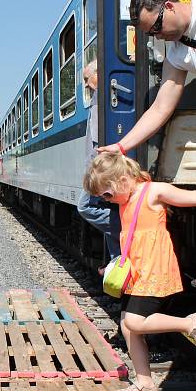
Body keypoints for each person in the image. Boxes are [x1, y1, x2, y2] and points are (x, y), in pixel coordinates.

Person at [100, 0, 196, 290]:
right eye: (151, 34)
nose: (158, 36)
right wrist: (121, 146)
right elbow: (160, 109)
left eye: (157, 27)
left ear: (170, 6)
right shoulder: (177, 55)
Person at [84, 153, 196, 391]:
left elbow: (194, 198)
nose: (106, 200)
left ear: (122, 180)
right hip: (136, 269)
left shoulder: (153, 192)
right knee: (127, 326)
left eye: (106, 195)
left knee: (135, 322)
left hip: (153, 267)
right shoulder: (124, 201)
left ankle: (191, 323)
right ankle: (145, 384)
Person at [77, 60, 121, 267]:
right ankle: (118, 264)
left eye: (87, 78)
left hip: (101, 169)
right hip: (99, 168)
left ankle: (126, 228)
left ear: (99, 74)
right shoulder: (99, 99)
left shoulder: (103, 100)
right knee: (110, 211)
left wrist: (94, 172)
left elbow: (97, 142)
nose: (85, 84)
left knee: (85, 206)